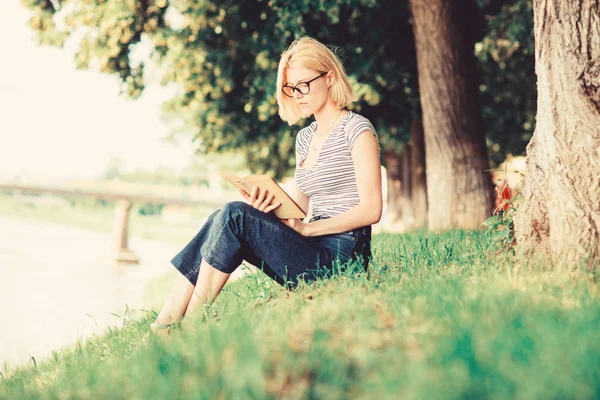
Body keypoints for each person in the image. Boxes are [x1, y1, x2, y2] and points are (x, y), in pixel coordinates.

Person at [148, 36, 382, 334]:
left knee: (234, 215)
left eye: (303, 85)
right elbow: (298, 211)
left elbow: (372, 209)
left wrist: (308, 229)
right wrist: (268, 208)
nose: (297, 94)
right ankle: (165, 322)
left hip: (343, 257)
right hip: (311, 249)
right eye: (290, 88)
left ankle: (191, 324)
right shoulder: (306, 138)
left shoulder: (357, 130)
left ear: (330, 77)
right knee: (223, 217)